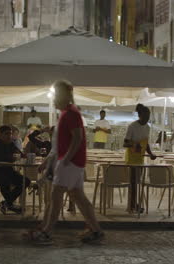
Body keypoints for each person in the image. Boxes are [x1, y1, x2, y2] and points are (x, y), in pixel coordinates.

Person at [28, 80, 103, 245]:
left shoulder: (71, 113)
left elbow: (78, 138)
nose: (54, 99)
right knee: (78, 197)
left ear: (64, 96)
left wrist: (66, 159)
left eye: (56, 95)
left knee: (56, 196)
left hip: (70, 161)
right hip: (73, 161)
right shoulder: (66, 113)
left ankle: (47, 232)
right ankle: (96, 229)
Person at [0, 125, 30, 214]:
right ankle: (9, 204)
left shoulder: (10, 143)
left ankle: (6, 203)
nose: (9, 136)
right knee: (5, 181)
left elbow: (20, 154)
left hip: (8, 171)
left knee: (26, 181)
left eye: (10, 134)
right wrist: (12, 158)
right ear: (0, 134)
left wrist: (25, 155)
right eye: (7, 134)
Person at [124, 104, 157, 212]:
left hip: (140, 158)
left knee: (137, 182)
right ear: (139, 115)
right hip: (131, 158)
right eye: (145, 116)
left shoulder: (147, 127)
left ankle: (134, 204)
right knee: (132, 183)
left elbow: (146, 143)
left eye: (148, 116)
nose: (147, 118)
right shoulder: (132, 126)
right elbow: (125, 143)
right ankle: (132, 205)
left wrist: (151, 153)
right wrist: (134, 145)